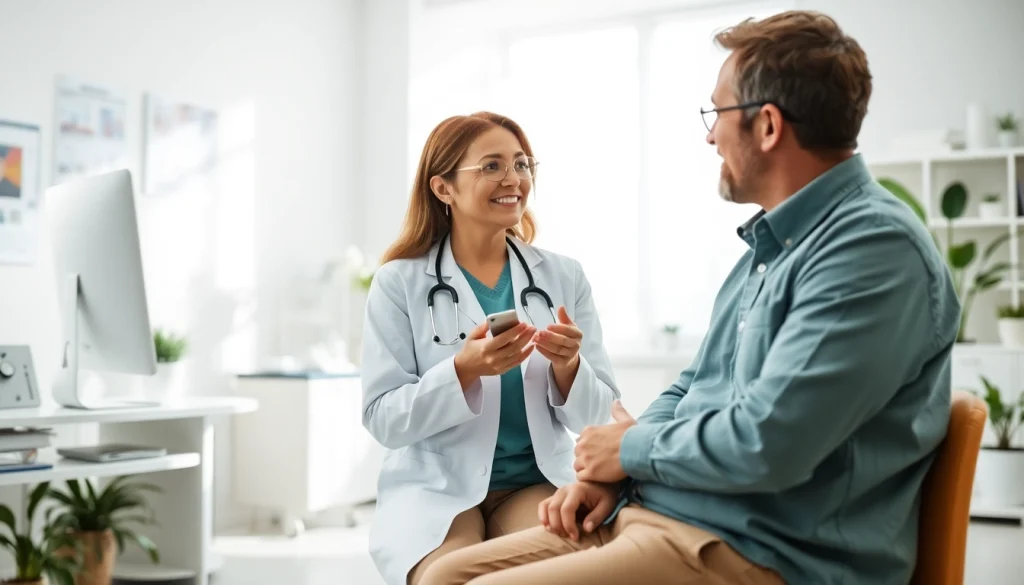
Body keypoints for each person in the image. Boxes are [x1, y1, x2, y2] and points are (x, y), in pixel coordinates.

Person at [419, 10, 960, 585]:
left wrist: (629, 451)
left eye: (717, 113)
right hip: (673, 514)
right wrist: (613, 474)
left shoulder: (869, 250)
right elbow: (694, 384)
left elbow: (768, 441)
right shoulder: (769, 246)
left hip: (762, 550)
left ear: (768, 125)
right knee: (442, 576)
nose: (709, 134)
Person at [361, 111, 621, 585]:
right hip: (437, 488)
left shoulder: (564, 276)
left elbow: (599, 416)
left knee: (565, 573)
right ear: (444, 189)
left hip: (534, 481)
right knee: (448, 577)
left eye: (522, 164)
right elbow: (383, 418)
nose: (514, 179)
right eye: (492, 166)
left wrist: (569, 367)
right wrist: (460, 371)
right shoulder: (398, 282)